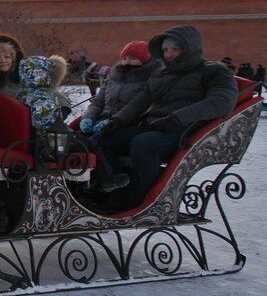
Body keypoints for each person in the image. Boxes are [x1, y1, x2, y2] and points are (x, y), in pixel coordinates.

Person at [97, 26, 237, 207]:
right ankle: (116, 185)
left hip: (184, 131)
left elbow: (221, 102)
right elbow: (140, 102)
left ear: (189, 48)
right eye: (165, 50)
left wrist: (177, 117)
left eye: (175, 49)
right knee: (102, 139)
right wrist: (117, 120)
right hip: (156, 125)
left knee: (144, 143)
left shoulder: (214, 71)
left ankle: (138, 198)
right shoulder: (161, 73)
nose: (169, 54)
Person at [79, 40, 161, 192]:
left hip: (128, 124)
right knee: (77, 139)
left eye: (132, 58)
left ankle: (113, 177)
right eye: (124, 58)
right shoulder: (114, 76)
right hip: (103, 120)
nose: (126, 62)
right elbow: (98, 102)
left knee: (98, 141)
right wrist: (88, 118)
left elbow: (138, 107)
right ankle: (83, 181)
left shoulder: (150, 79)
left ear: (143, 59)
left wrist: (111, 122)